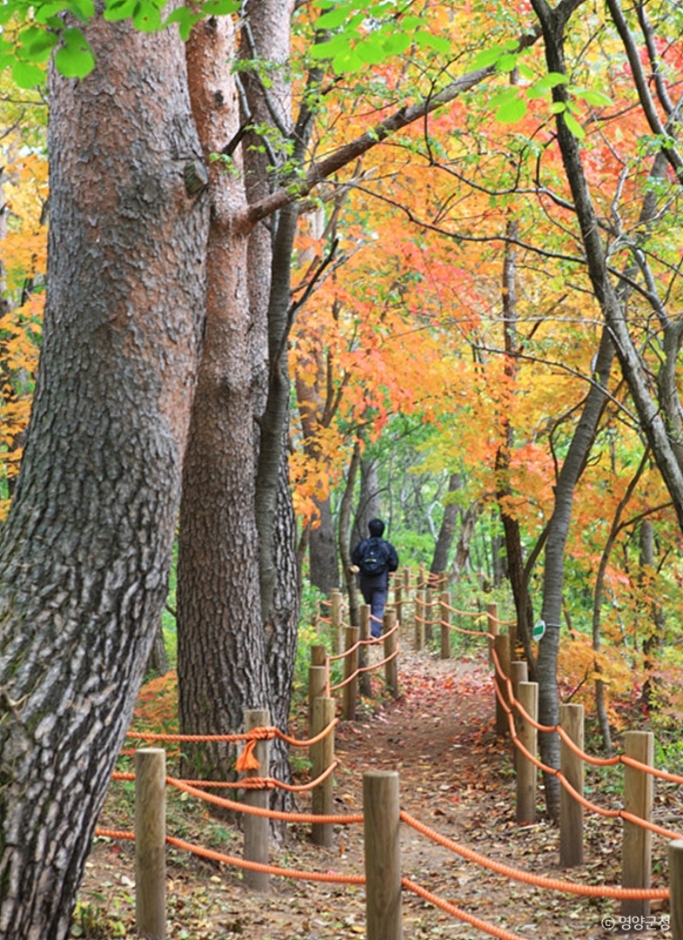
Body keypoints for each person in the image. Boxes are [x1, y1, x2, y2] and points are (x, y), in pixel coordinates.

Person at [351, 518, 399, 638]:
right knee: (378, 607)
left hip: (365, 581)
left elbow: (354, 560)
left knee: (369, 605)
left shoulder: (363, 545)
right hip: (381, 582)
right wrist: (386, 568)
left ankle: (368, 631)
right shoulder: (386, 546)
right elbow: (394, 564)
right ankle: (373, 633)